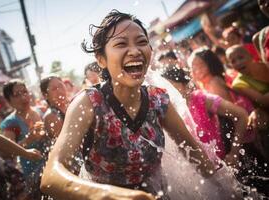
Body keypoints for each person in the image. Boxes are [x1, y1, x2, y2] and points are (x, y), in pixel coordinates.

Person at [41, 10, 216, 200]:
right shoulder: (89, 103)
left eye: (141, 42)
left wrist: (227, 188)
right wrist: (113, 195)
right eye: (121, 44)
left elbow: (197, 157)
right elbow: (50, 177)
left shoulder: (159, 100)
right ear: (101, 59)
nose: (135, 51)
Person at [162, 67, 248, 166]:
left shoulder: (201, 100)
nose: (168, 92)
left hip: (219, 165)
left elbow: (241, 115)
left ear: (185, 86)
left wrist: (234, 153)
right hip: (195, 172)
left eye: (171, 87)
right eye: (164, 88)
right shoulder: (167, 111)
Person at [0, 79, 49, 199]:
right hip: (35, 175)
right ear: (8, 101)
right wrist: (29, 139)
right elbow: (6, 152)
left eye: (25, 92)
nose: (23, 97)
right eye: (17, 95)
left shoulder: (41, 110)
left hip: (53, 164)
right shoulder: (11, 123)